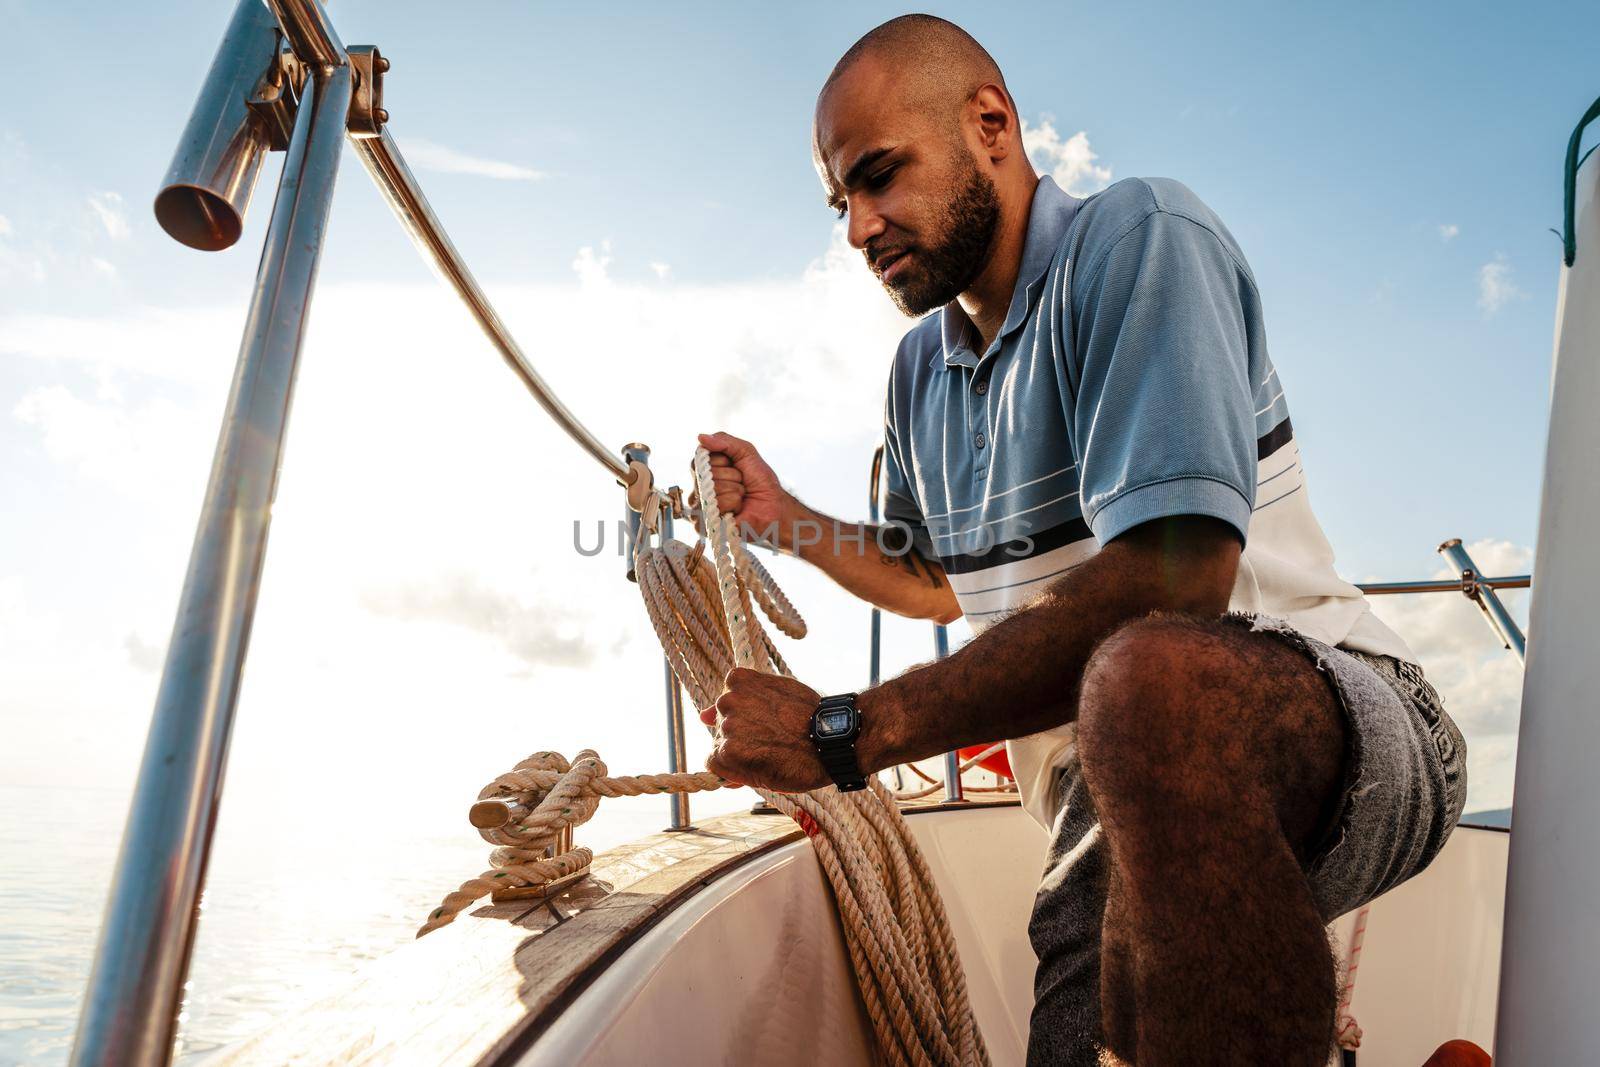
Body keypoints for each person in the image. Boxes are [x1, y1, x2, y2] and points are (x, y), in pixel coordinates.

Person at [694, 14, 1466, 1066]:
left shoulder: (1140, 237)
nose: (859, 228)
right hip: (1100, 791)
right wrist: (779, 515)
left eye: (879, 177)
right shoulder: (917, 375)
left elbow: (1178, 574)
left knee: (1147, 681)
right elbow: (935, 580)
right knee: (1087, 1010)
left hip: (1349, 722)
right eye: (841, 202)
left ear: (991, 124)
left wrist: (848, 730)